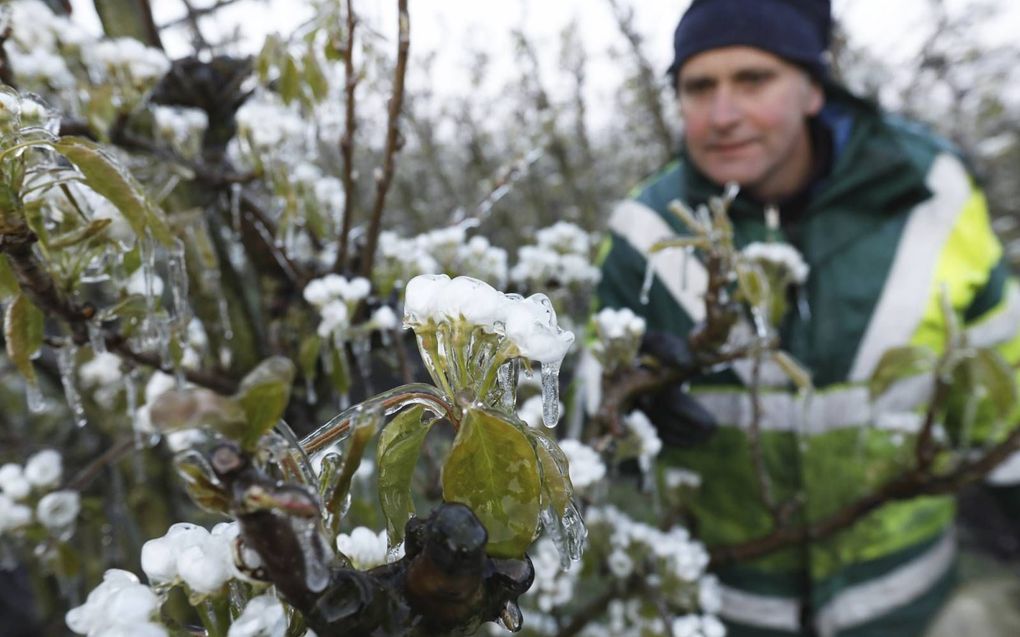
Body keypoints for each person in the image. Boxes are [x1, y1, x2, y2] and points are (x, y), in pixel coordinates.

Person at [596, 0, 1020, 635]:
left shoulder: (929, 192)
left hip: (909, 606)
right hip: (727, 610)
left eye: (753, 80)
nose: (722, 115)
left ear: (814, 89)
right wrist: (627, 403)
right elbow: (581, 416)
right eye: (698, 87)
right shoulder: (646, 231)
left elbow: (1003, 381)